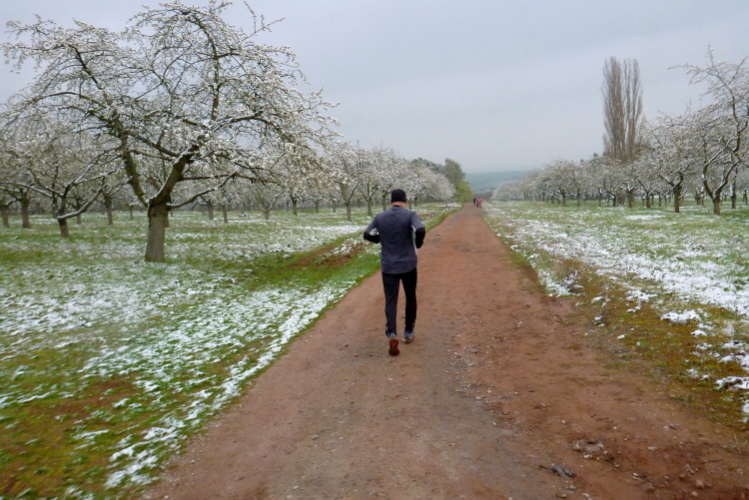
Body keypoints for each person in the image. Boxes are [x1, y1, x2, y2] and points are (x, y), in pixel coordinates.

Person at [363, 189, 426, 356]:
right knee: (410, 296)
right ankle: (408, 332)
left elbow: (367, 234)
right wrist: (418, 243)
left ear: (391, 201)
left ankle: (392, 333)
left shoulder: (380, 217)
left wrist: (378, 239)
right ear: (405, 200)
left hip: (388, 265)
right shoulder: (410, 215)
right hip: (408, 264)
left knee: (391, 300)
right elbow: (420, 230)